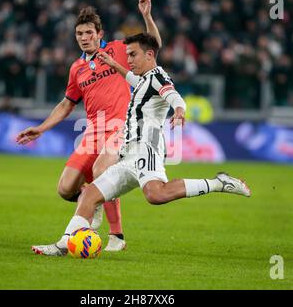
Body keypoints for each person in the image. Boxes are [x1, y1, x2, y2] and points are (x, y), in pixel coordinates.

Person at [43, 33, 251, 256]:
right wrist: (114, 64)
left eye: (133, 55)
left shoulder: (158, 77)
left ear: (149, 55)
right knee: (90, 194)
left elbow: (174, 97)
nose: (129, 60)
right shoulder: (145, 78)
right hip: (128, 151)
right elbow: (134, 80)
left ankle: (218, 183)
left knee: (156, 195)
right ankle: (64, 244)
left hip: (146, 148)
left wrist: (180, 111)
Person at [16, 0, 162, 254]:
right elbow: (66, 104)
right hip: (93, 131)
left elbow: (154, 47)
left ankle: (114, 234)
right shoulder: (76, 69)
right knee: (65, 188)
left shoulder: (118, 48)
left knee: (101, 169)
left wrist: (147, 16)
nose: (83, 37)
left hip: (121, 125)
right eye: (79, 34)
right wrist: (41, 127)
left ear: (99, 33)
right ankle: (91, 201)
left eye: (87, 33)